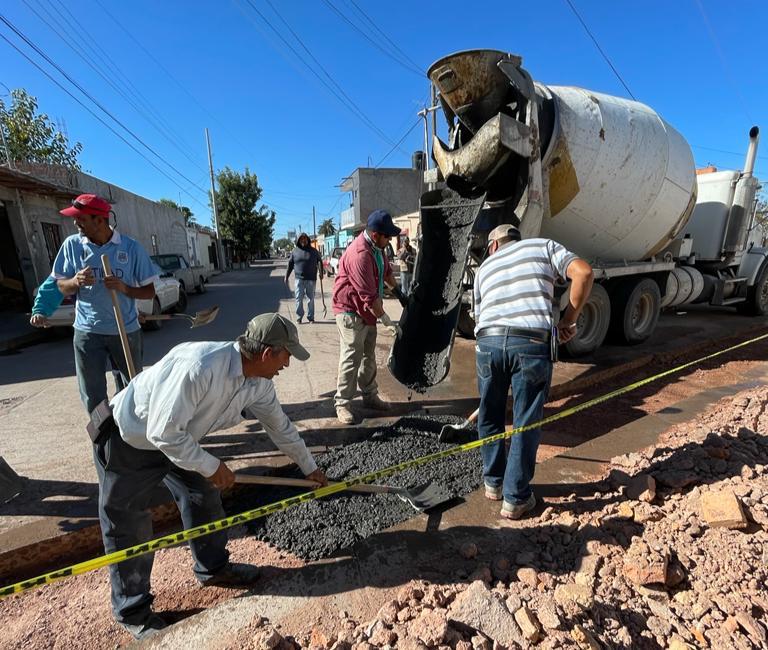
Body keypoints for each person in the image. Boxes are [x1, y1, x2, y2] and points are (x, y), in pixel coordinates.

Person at [95, 313, 328, 639]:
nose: (287, 364)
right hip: (130, 441)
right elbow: (162, 433)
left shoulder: (258, 383)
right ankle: (133, 612)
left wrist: (310, 468)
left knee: (203, 495)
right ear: (267, 354)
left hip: (180, 439)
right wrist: (212, 466)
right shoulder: (201, 367)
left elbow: (280, 427)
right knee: (128, 525)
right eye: (286, 354)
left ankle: (213, 568)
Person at [473, 224, 593, 520]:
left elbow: (479, 316)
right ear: (516, 240)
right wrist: (567, 320)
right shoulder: (542, 246)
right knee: (525, 420)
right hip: (530, 343)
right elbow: (584, 273)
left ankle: (493, 483)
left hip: (487, 343)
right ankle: (515, 498)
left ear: (493, 246)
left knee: (490, 415)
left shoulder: (483, 268)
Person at [52, 194, 157, 415]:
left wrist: (124, 288)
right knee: (92, 395)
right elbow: (60, 286)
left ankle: (131, 442)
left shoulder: (131, 248)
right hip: (87, 333)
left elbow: (149, 292)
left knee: (131, 391)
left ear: (100, 220)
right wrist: (75, 281)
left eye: (81, 218)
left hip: (125, 331)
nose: (75, 223)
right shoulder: (72, 246)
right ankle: (103, 446)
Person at [331, 209, 401, 425]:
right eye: (387, 236)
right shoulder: (360, 254)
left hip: (368, 310)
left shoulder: (379, 249)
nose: (389, 239)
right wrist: (387, 321)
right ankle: (342, 403)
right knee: (352, 356)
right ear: (374, 234)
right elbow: (369, 298)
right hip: (351, 311)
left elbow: (387, 272)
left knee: (368, 356)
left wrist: (400, 294)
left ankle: (370, 396)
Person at [285, 233, 324, 324]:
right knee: (298, 299)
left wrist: (321, 272)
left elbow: (320, 261)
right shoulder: (295, 251)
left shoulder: (314, 251)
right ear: (299, 241)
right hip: (299, 279)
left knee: (310, 299)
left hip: (311, 279)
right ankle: (299, 317)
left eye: (305, 239)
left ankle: (311, 318)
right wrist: (286, 276)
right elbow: (290, 264)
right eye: (301, 239)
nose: (303, 240)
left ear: (308, 240)